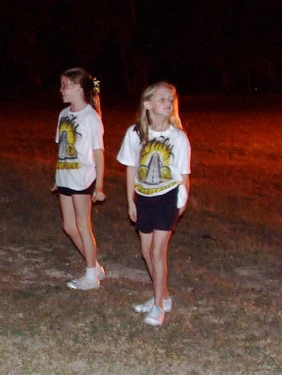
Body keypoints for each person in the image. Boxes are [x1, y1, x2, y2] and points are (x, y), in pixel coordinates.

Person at [117, 81, 191, 326]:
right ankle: (163, 296)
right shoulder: (135, 134)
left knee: (158, 253)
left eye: (171, 99)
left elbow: (184, 173)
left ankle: (159, 307)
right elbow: (131, 168)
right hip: (144, 197)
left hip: (167, 197)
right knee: (146, 252)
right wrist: (131, 201)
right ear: (147, 104)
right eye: (162, 99)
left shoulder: (178, 137)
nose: (168, 103)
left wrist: (182, 201)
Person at [55, 68, 107, 288]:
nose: (61, 90)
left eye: (65, 85)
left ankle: (90, 277)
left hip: (82, 179)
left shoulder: (91, 118)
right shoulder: (63, 114)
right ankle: (95, 267)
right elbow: (62, 148)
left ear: (78, 88)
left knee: (83, 226)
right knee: (69, 227)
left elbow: (98, 153)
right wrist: (58, 177)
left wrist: (99, 185)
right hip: (65, 178)